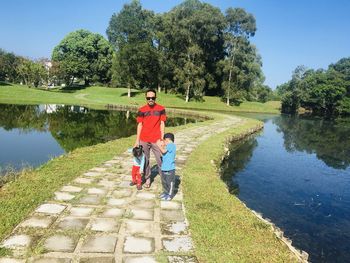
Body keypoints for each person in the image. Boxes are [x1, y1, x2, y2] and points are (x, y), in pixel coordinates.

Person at [135, 89, 166, 188]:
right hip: (144, 139)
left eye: (152, 97)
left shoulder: (161, 109)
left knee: (160, 160)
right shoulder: (142, 110)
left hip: (156, 139)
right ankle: (147, 178)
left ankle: (164, 179)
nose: (151, 99)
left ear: (155, 97)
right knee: (146, 160)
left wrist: (162, 138)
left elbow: (162, 123)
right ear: (146, 98)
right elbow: (140, 125)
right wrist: (137, 140)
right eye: (148, 98)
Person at [156, 133, 176, 201]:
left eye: (164, 141)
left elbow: (163, 151)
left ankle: (170, 195)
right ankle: (165, 192)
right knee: (164, 182)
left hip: (170, 168)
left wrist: (159, 145)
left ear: (167, 140)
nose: (164, 143)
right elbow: (162, 154)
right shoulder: (168, 146)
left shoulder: (171, 145)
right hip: (164, 168)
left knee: (169, 182)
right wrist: (161, 146)